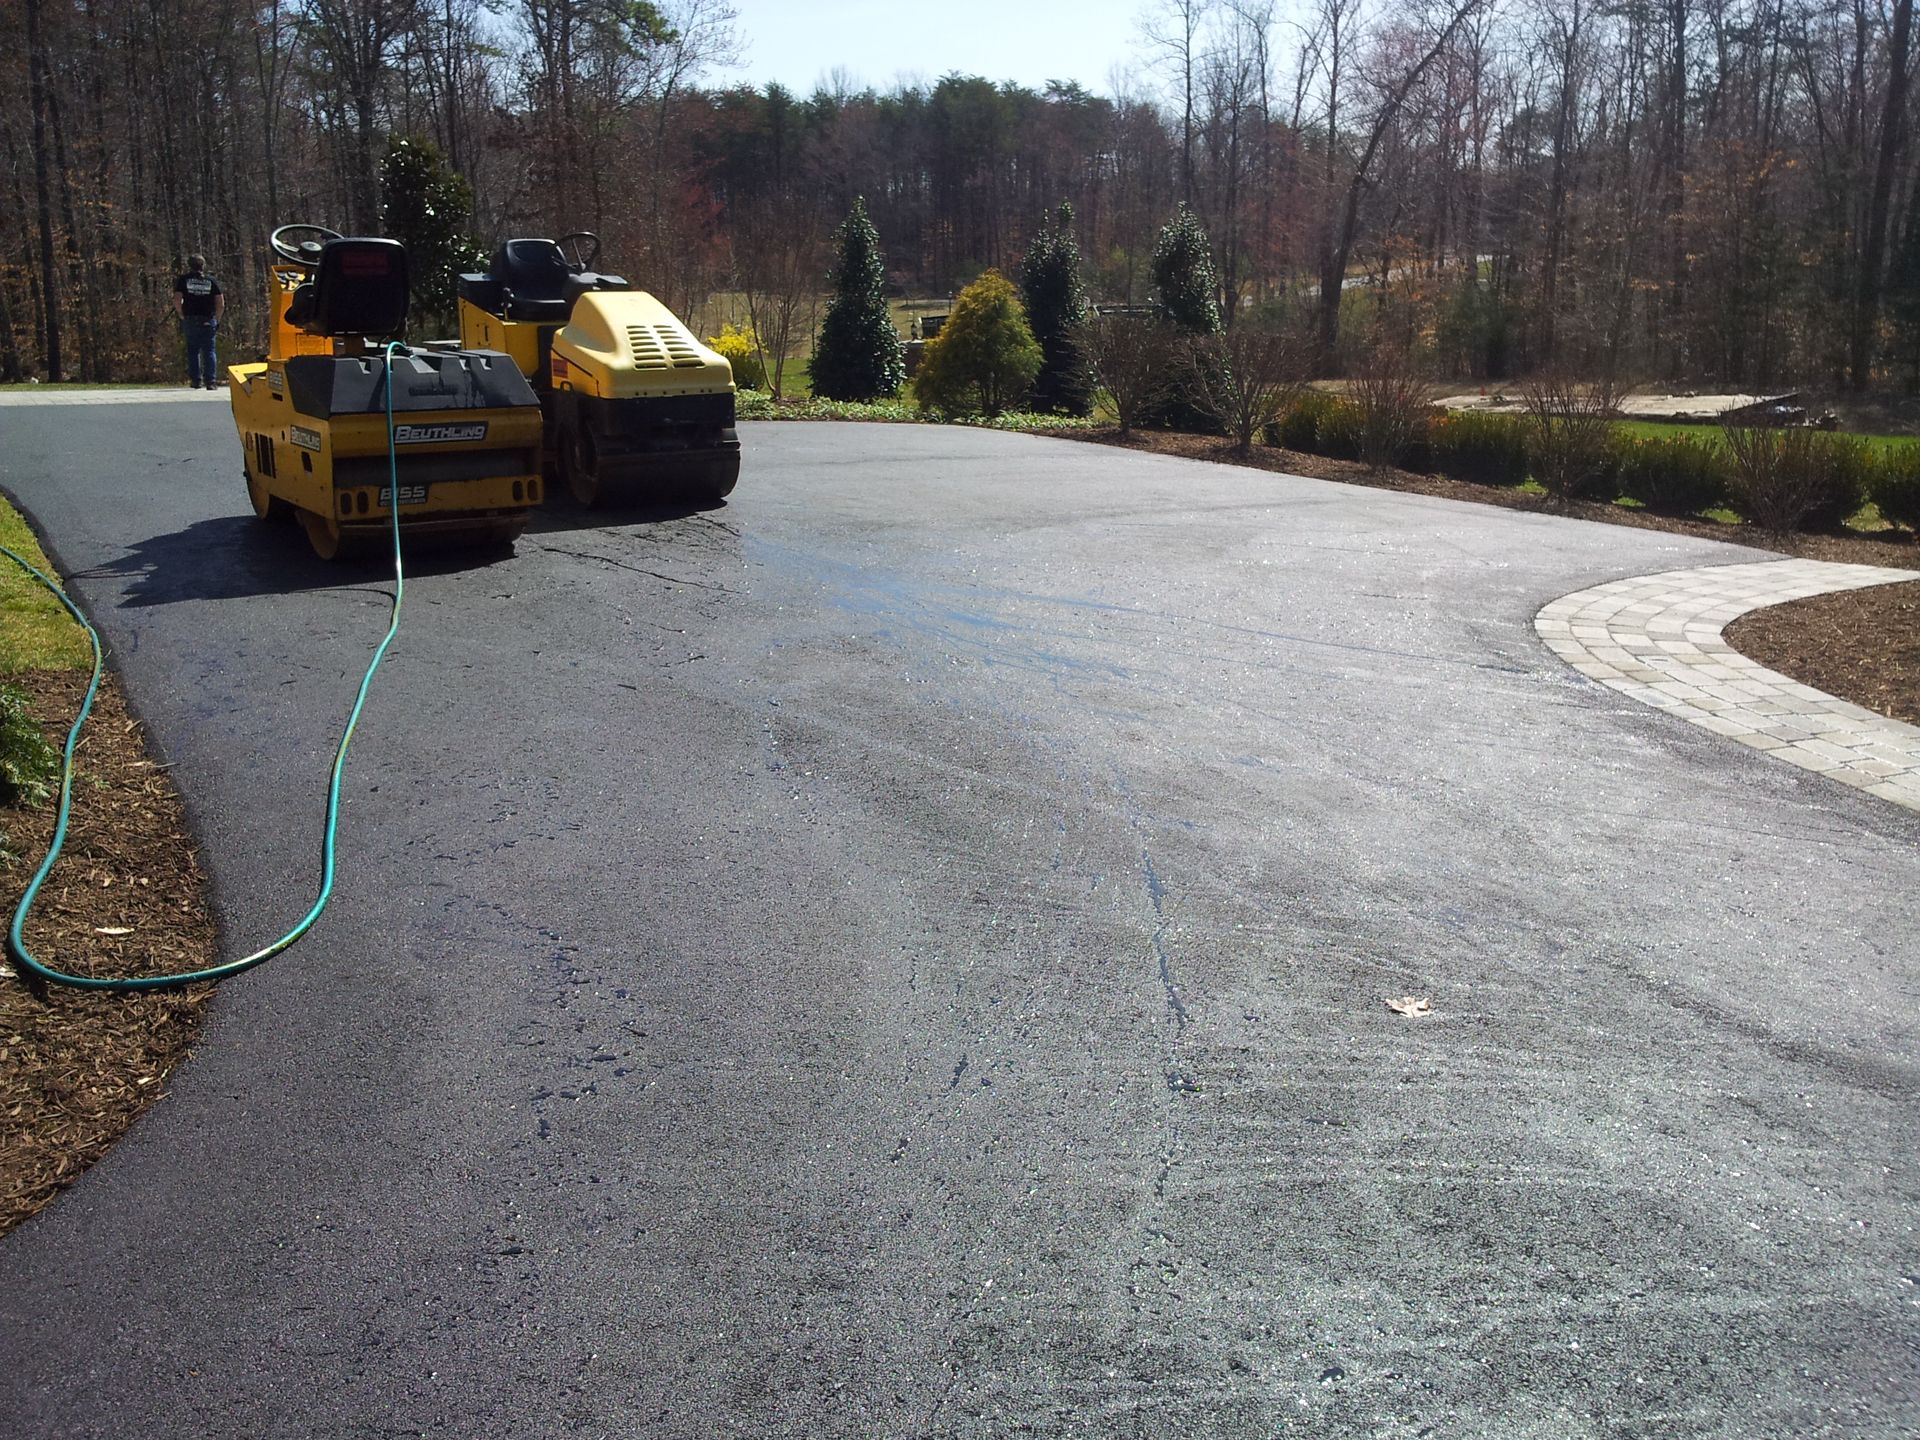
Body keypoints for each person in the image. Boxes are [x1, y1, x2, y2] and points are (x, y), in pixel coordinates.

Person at [173, 254, 225, 389]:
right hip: (208, 318)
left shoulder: (184, 280)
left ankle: (196, 381)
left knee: (193, 350)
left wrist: (181, 314)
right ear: (203, 265)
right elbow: (220, 303)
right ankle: (211, 382)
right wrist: (217, 318)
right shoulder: (211, 281)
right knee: (209, 350)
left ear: (189, 265)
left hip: (190, 318)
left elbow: (177, 299)